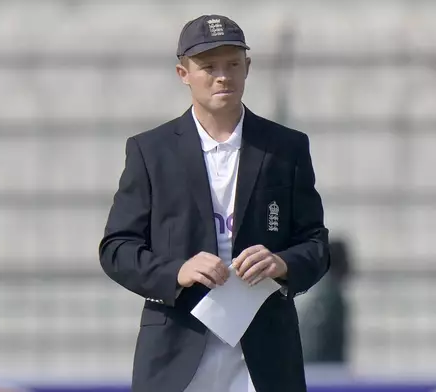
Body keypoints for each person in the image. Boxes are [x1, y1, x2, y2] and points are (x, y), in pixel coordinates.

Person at [98, 14, 330, 392]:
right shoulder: (150, 151)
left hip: (265, 353)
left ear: (248, 67)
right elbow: (117, 248)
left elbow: (316, 245)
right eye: (208, 67)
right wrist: (176, 271)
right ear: (183, 73)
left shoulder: (286, 148)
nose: (223, 76)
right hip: (177, 348)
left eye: (233, 64)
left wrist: (282, 262)